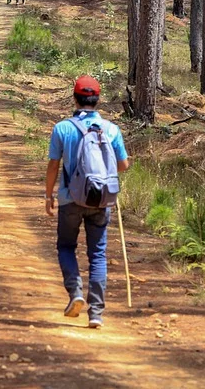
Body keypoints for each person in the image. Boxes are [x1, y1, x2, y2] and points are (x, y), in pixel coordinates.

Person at [45, 75, 129, 329]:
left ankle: (75, 292)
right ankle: (96, 314)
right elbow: (123, 165)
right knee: (98, 254)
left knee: (66, 247)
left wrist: (49, 195)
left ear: (75, 98)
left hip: (70, 198)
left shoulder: (63, 128)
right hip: (102, 200)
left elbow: (53, 165)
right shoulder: (112, 129)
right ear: (97, 99)